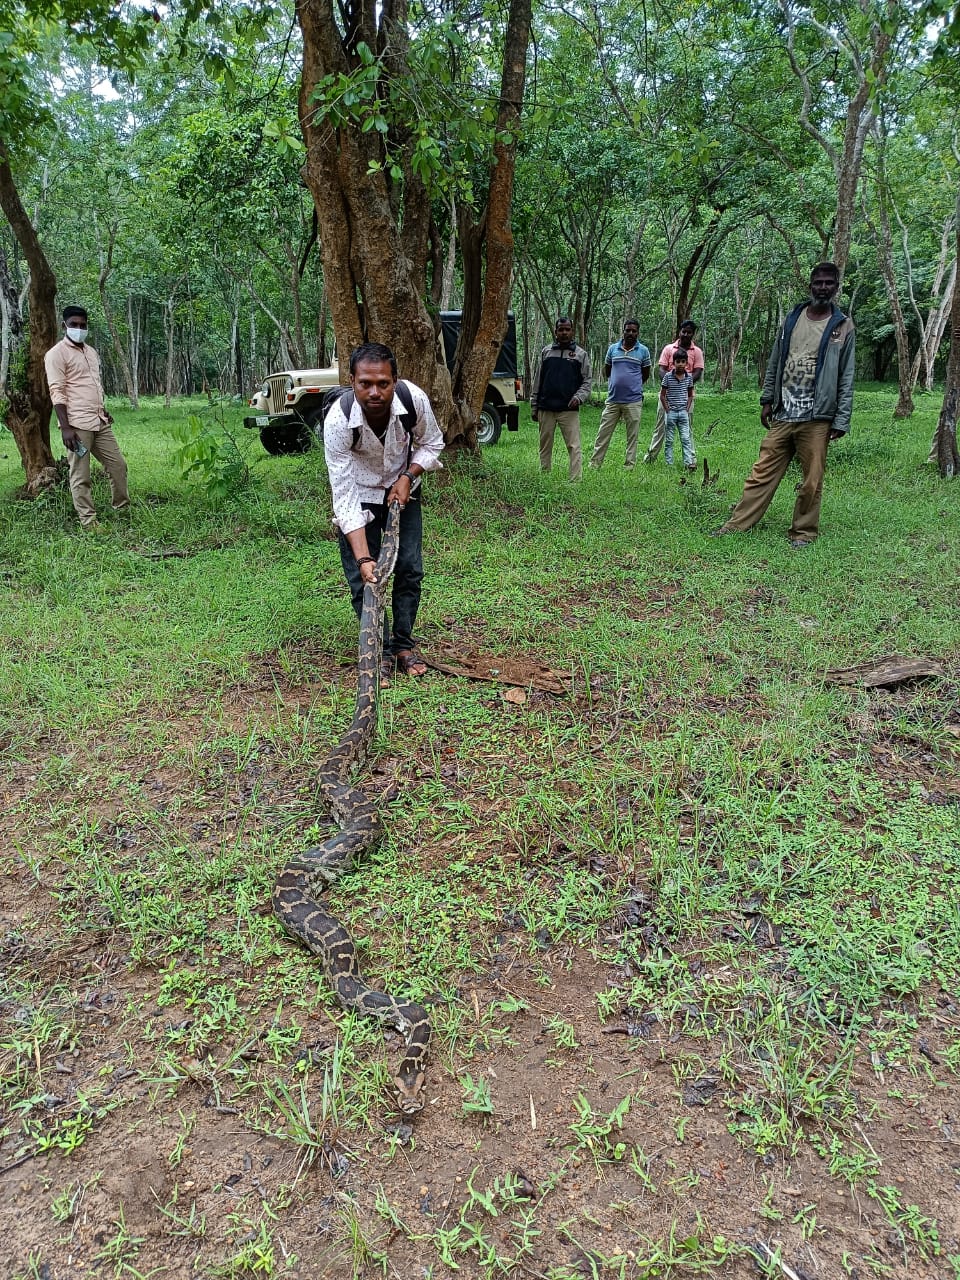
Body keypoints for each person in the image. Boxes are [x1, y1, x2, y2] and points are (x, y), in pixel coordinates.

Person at [712, 263, 854, 548]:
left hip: (817, 417)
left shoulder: (843, 326)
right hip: (784, 411)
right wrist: (767, 398)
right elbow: (776, 360)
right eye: (818, 282)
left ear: (837, 287)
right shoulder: (792, 318)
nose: (823, 287)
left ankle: (803, 532)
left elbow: (847, 375)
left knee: (812, 480)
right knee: (761, 472)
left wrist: (841, 418)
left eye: (829, 283)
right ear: (810, 285)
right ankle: (737, 524)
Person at [323, 342, 444, 677]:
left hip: (402, 492)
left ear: (395, 380)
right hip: (359, 495)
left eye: (383, 383)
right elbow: (344, 496)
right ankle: (378, 652)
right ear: (352, 380)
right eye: (365, 383)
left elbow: (432, 442)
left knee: (409, 568)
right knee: (365, 580)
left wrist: (408, 476)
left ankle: (403, 644)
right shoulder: (338, 421)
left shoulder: (413, 400)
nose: (374, 392)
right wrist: (363, 558)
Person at [44, 304, 129, 529]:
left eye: (83, 325)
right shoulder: (55, 355)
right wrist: (65, 427)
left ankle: (122, 509)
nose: (79, 329)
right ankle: (89, 522)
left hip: (99, 421)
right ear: (64, 325)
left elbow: (92, 385)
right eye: (74, 325)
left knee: (118, 466)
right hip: (77, 425)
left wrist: (101, 408)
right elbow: (57, 391)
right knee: (81, 475)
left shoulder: (91, 352)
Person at [530, 317, 592, 481]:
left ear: (572, 331)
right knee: (545, 446)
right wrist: (534, 405)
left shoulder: (580, 354)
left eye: (567, 329)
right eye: (561, 329)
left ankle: (575, 480)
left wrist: (579, 397)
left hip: (568, 409)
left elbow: (587, 381)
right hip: (546, 408)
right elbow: (538, 380)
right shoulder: (546, 352)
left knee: (574, 446)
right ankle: (545, 477)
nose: (564, 333)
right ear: (556, 332)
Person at [589, 319, 651, 470]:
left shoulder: (643, 351)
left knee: (632, 435)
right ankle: (594, 464)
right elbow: (608, 370)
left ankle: (629, 465)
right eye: (628, 330)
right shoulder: (613, 349)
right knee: (603, 433)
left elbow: (645, 374)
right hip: (613, 400)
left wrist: (633, 386)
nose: (630, 333)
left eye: (633, 331)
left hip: (633, 400)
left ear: (637, 333)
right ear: (623, 331)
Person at [643, 320, 705, 464]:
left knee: (687, 429)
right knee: (660, 428)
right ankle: (651, 458)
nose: (685, 334)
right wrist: (670, 382)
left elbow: (697, 372)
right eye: (683, 331)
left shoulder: (697, 352)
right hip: (666, 397)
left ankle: (691, 460)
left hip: (686, 397)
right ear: (680, 331)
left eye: (689, 332)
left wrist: (684, 383)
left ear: (693, 334)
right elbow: (661, 369)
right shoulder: (668, 349)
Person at [659, 348, 695, 469]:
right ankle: (669, 464)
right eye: (678, 361)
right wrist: (667, 410)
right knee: (669, 439)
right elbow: (662, 395)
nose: (680, 364)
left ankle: (688, 463)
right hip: (671, 413)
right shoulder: (668, 377)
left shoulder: (689, 377)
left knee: (686, 438)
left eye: (683, 361)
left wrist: (687, 407)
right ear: (673, 363)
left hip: (683, 413)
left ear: (686, 363)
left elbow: (690, 394)